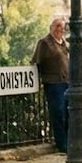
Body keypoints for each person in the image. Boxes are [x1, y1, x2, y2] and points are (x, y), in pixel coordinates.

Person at [31, 17, 70, 153]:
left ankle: (68, 141)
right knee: (58, 113)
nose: (60, 29)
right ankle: (61, 144)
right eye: (57, 26)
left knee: (68, 113)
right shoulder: (44, 43)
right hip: (53, 83)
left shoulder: (64, 43)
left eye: (62, 26)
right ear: (51, 27)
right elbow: (36, 62)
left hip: (66, 82)